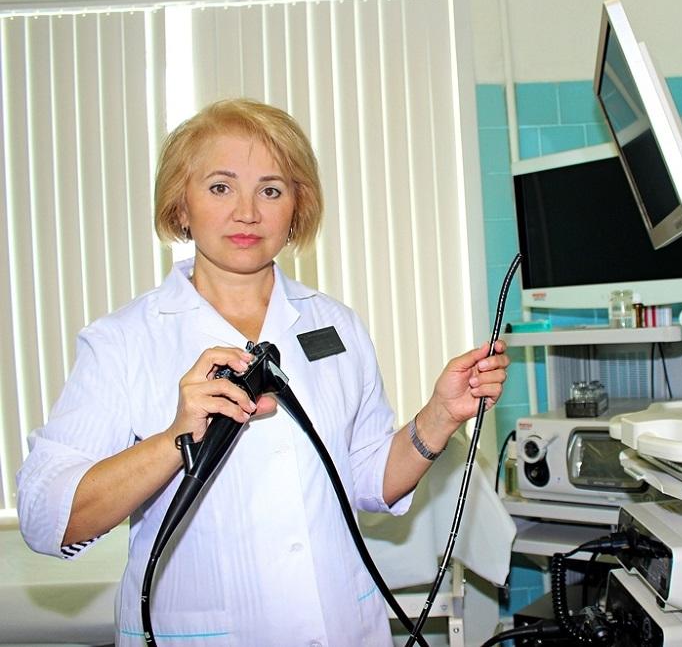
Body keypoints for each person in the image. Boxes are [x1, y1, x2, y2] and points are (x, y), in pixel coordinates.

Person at [16, 98, 510, 646]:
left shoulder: (335, 324)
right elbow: (45, 518)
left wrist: (439, 416)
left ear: (297, 208)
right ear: (181, 205)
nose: (247, 212)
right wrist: (174, 440)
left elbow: (367, 481)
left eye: (271, 190)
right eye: (220, 187)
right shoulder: (123, 341)